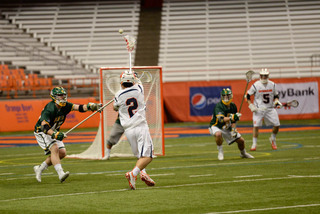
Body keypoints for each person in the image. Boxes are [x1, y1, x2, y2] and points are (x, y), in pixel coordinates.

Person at [33, 86, 101, 183]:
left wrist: (91, 106)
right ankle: (61, 174)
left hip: (53, 130)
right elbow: (44, 127)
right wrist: (55, 135)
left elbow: (80, 107)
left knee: (62, 153)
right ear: (54, 97)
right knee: (55, 148)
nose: (62, 98)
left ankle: (40, 168)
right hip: (42, 132)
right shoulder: (50, 109)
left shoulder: (65, 106)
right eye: (60, 96)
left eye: (63, 95)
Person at [113, 71, 155, 190]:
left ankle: (143, 173)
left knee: (140, 156)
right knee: (148, 156)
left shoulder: (118, 95)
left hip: (128, 130)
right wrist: (135, 76)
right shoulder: (139, 89)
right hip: (140, 126)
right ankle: (133, 174)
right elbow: (137, 82)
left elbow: (114, 107)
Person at [209, 88, 254, 161]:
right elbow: (221, 119)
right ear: (221, 97)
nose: (226, 98)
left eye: (228, 96)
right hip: (216, 126)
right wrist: (232, 117)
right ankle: (220, 151)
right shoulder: (219, 106)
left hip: (227, 127)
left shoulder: (233, 106)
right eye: (224, 96)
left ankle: (243, 153)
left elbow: (233, 121)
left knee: (241, 141)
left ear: (231, 96)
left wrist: (233, 129)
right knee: (218, 134)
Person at [246, 68, 282, 151]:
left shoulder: (272, 84)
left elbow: (276, 95)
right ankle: (254, 144)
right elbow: (247, 95)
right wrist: (250, 105)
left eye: (265, 75)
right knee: (256, 126)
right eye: (262, 75)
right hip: (258, 109)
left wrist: (276, 101)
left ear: (268, 75)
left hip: (270, 108)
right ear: (260, 76)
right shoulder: (256, 85)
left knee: (277, 124)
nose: (264, 77)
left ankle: (273, 138)